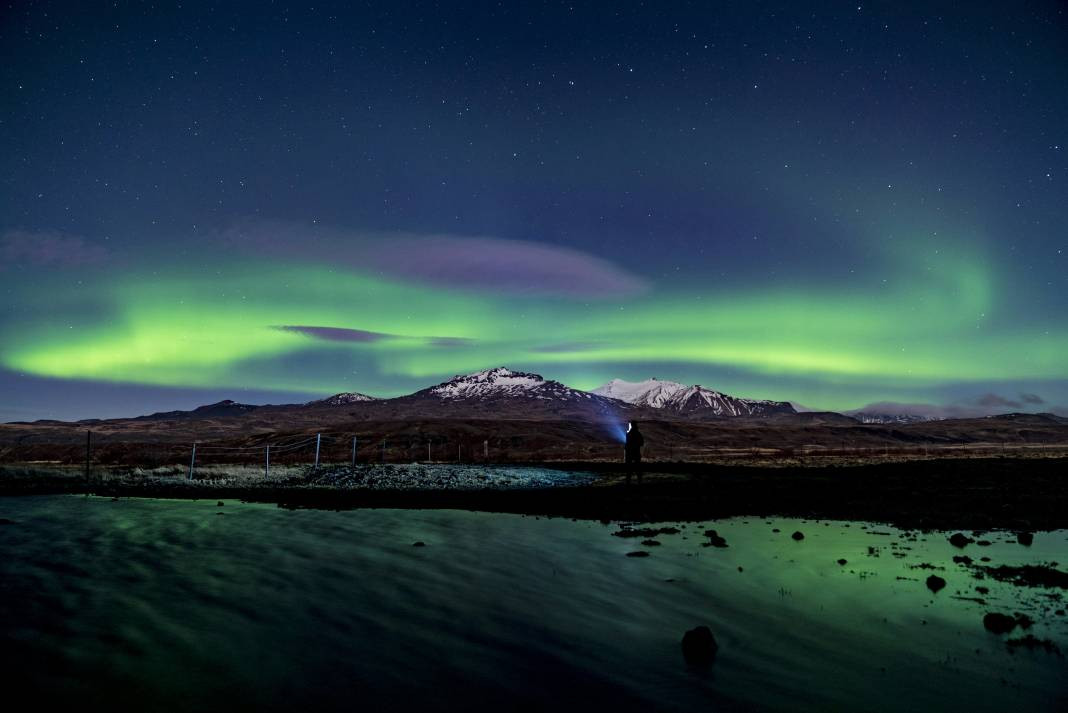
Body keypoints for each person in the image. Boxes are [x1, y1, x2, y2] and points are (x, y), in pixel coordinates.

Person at [624, 420, 644, 485]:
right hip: (636, 452)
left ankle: (628, 482)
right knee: (638, 468)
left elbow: (627, 443)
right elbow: (641, 443)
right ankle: (639, 482)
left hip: (629, 453)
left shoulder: (629, 434)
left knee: (629, 469)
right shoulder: (638, 433)